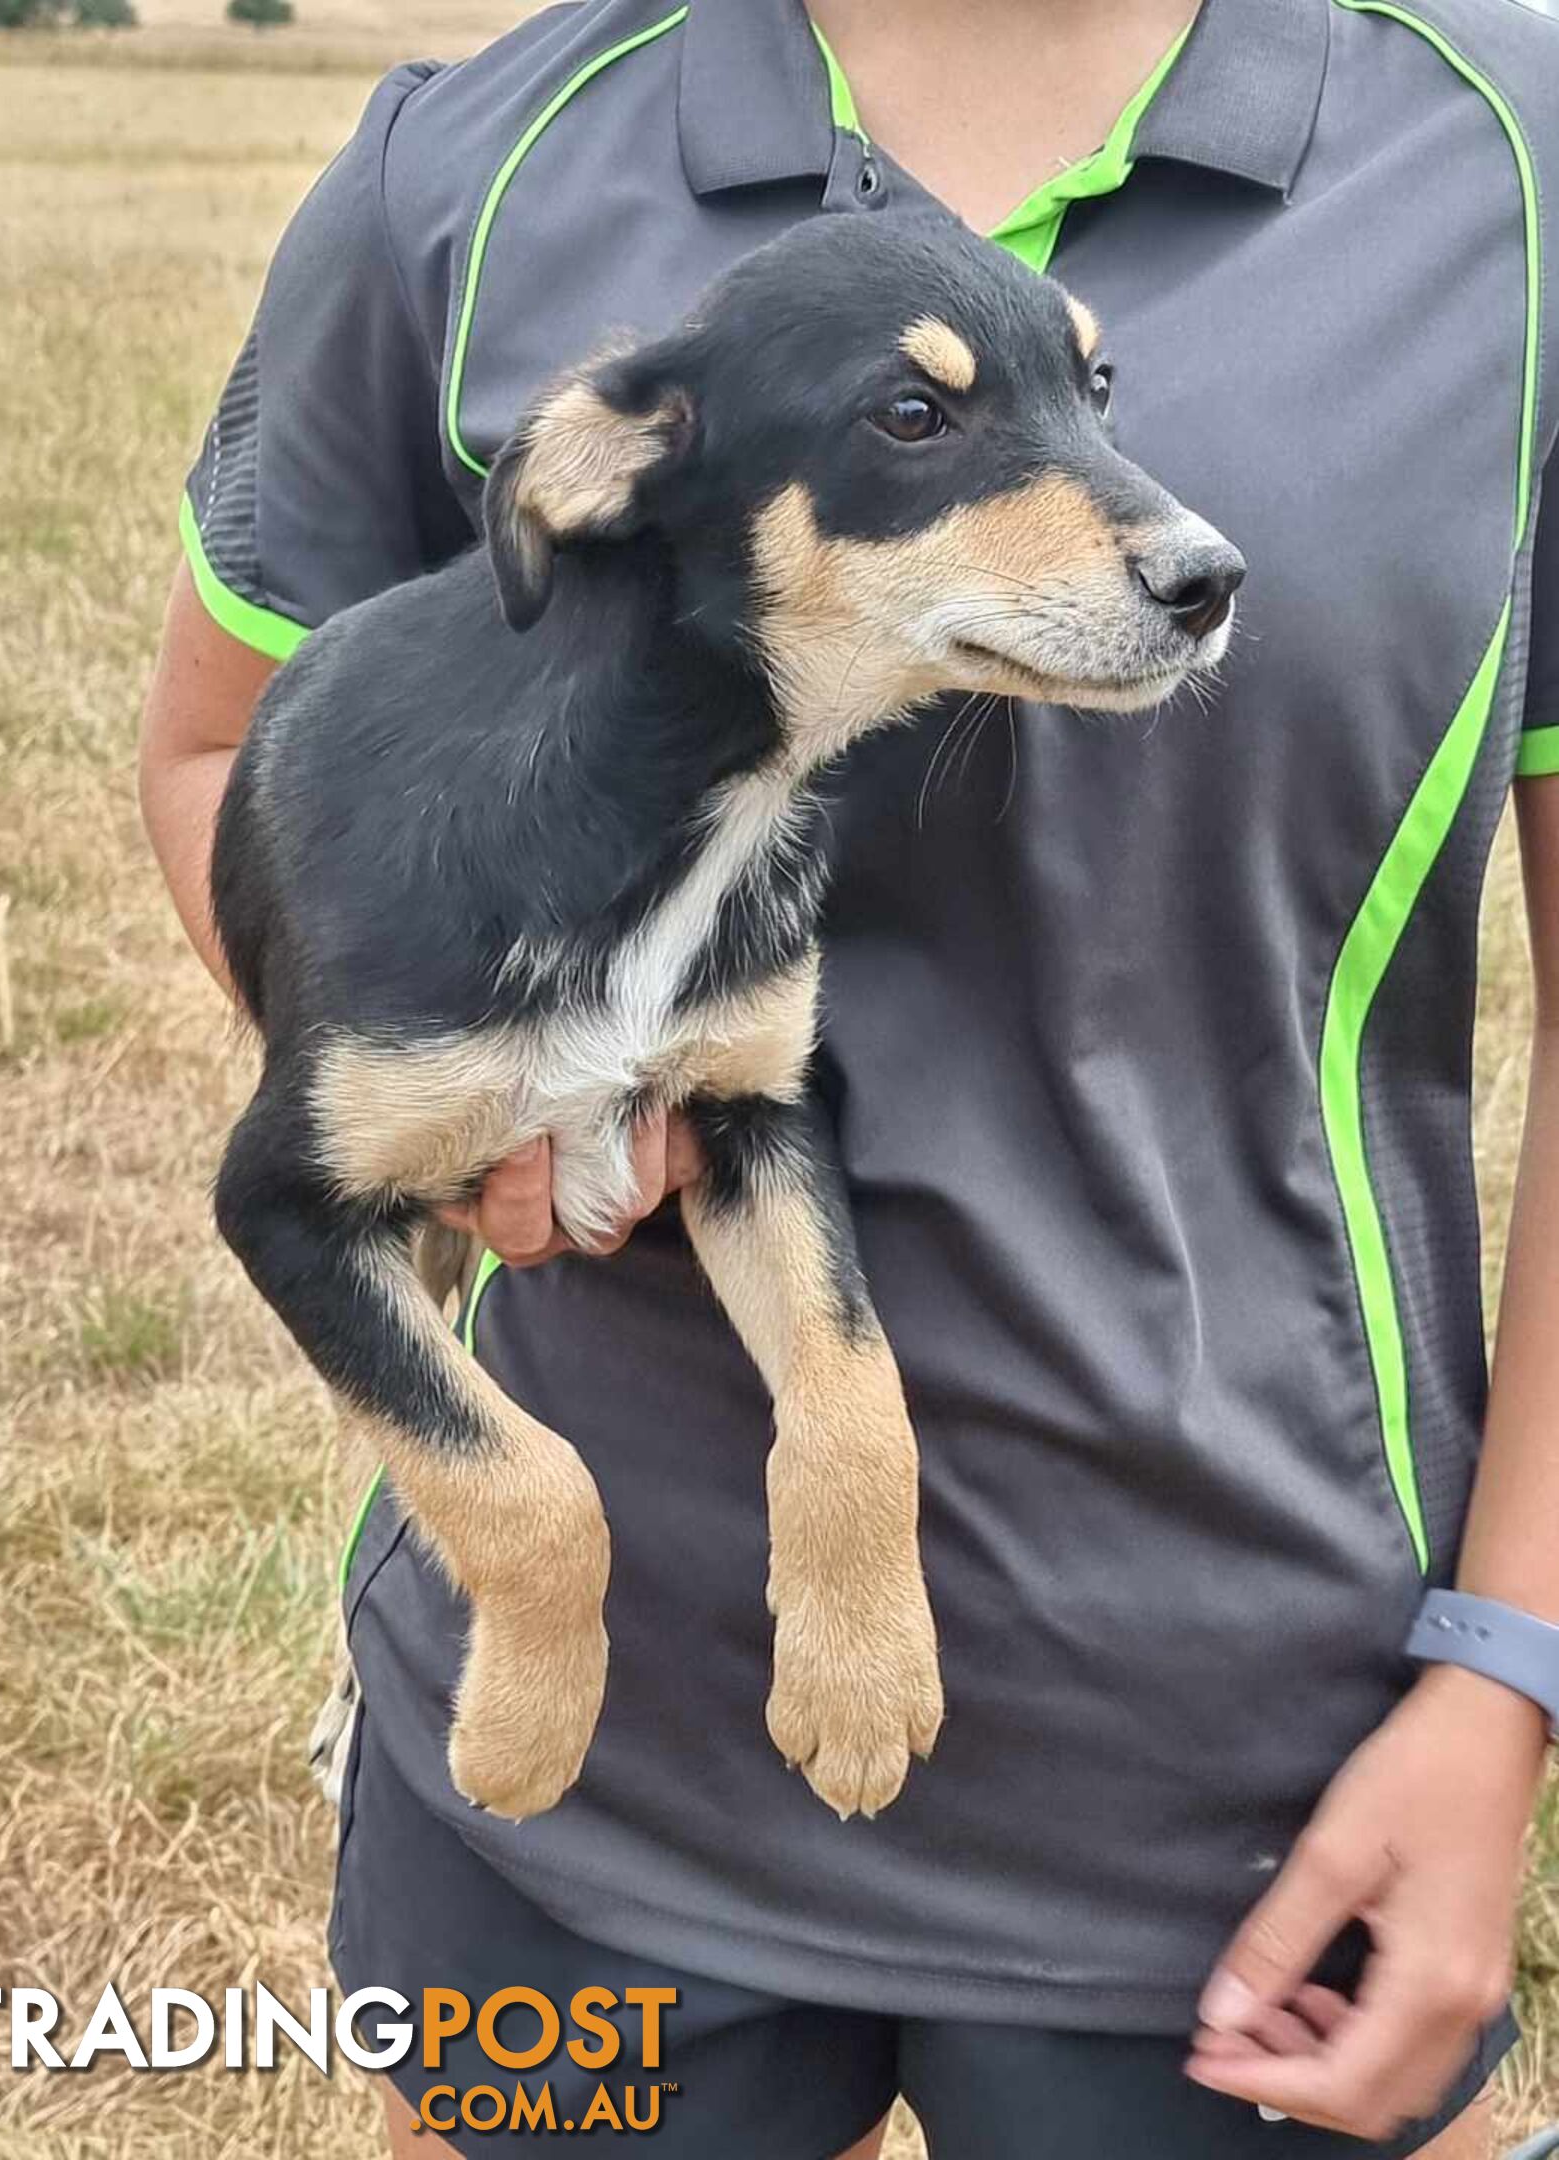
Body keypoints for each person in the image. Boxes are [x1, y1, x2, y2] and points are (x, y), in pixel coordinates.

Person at [138, 0, 1559, 2152]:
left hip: (1255, 1767)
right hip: (588, 1784)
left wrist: (1510, 1674)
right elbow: (225, 748)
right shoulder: (473, 157)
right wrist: (444, 1119)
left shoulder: (1514, 154)